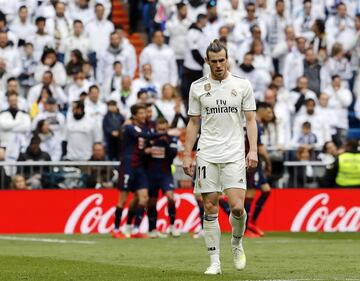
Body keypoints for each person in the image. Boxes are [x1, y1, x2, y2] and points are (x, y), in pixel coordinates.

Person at [182, 40, 258, 275]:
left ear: (227, 59)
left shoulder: (242, 85)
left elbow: (251, 120)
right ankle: (214, 261)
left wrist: (252, 149)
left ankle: (236, 243)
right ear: (207, 62)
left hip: (234, 153)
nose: (218, 65)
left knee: (237, 208)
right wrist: (187, 154)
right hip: (207, 153)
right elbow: (194, 122)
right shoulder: (197, 87)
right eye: (213, 61)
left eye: (222, 60)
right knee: (210, 206)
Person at [112, 104, 169, 239]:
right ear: (134, 115)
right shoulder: (129, 127)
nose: (144, 115)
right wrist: (163, 133)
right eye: (141, 113)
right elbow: (142, 135)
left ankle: (136, 229)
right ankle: (115, 229)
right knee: (123, 199)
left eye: (145, 113)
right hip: (127, 167)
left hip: (140, 168)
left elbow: (146, 137)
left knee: (144, 197)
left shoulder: (144, 127)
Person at [145, 117, 180, 238]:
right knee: (152, 201)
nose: (162, 129)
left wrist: (165, 143)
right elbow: (143, 152)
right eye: (160, 127)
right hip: (151, 174)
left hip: (165, 173)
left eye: (164, 127)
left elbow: (173, 154)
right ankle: (152, 228)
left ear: (167, 127)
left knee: (170, 197)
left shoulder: (172, 138)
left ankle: (172, 227)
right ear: (156, 127)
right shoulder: (150, 138)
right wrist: (147, 151)